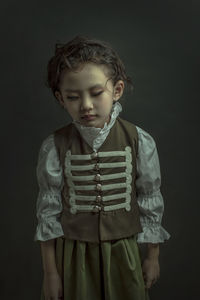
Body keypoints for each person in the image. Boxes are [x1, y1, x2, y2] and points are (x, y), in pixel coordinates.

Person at [34, 35, 170, 300]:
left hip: (123, 253)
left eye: (96, 93)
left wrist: (152, 257)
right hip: (73, 257)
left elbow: (150, 199)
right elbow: (47, 215)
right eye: (73, 97)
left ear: (117, 90)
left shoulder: (139, 140)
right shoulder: (54, 147)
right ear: (61, 98)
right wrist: (50, 273)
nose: (86, 105)